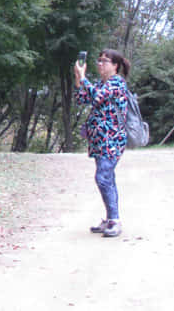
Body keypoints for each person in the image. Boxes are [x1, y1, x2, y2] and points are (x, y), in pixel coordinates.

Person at [74, 48, 130, 238]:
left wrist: (83, 78)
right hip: (99, 139)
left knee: (103, 177)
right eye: (98, 60)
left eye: (104, 61)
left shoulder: (116, 83)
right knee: (107, 178)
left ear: (115, 66)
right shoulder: (100, 82)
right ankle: (110, 218)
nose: (100, 64)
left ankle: (115, 220)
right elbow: (81, 98)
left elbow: (97, 98)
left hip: (112, 139)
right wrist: (78, 78)